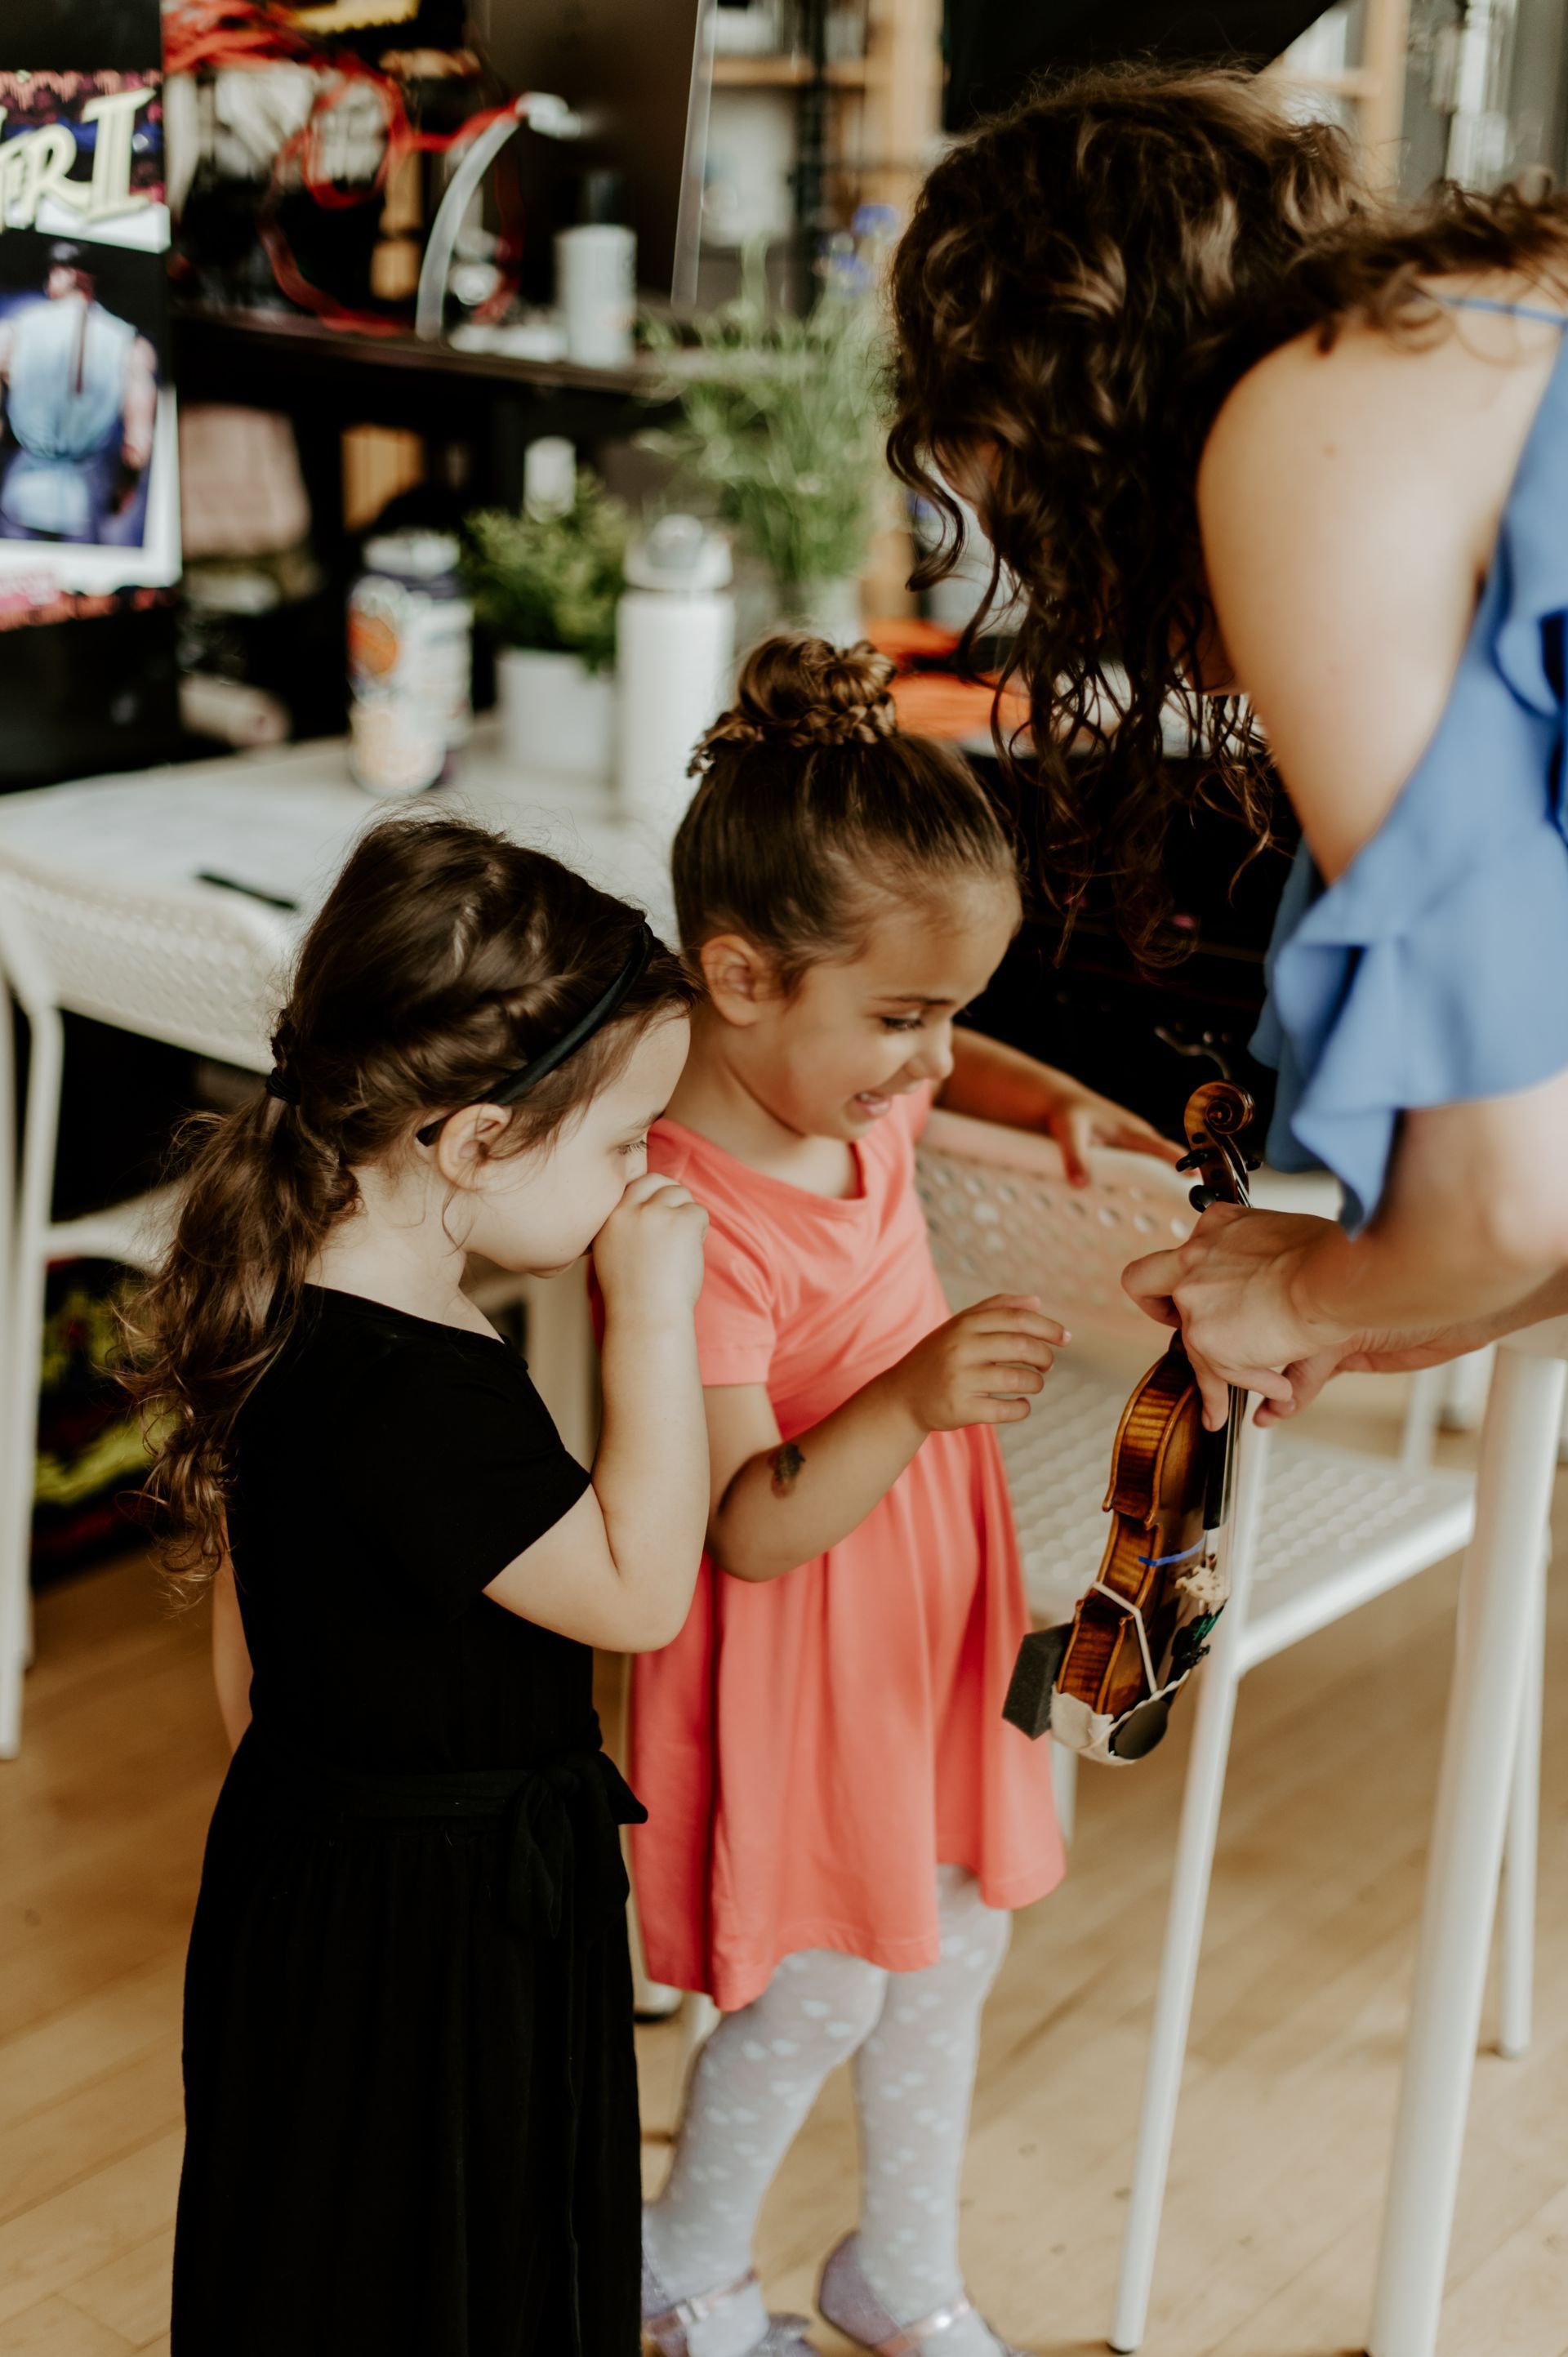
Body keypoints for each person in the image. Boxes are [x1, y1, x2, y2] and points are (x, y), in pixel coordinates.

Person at [633, 636, 1179, 2357]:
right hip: (801, 1627)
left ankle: (903, 2272)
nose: (928, 1063)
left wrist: (1066, 1111)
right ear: (738, 976)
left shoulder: (850, 1074)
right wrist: (916, 1395)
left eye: (946, 1015)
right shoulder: (684, 1217)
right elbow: (744, 1523)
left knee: (953, 1940)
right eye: (903, 1018)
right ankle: (685, 2266)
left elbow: (966, 1064)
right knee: (825, 1976)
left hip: (926, 1599)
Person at [885, 64, 1568, 1424]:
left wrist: (1312, 1297)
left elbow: (1511, 1186)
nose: (1073, 604)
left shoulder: (1314, 421)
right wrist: (1406, 1303)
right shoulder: (1486, 343)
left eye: (1037, 540)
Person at [124, 816, 709, 2357]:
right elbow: (644, 1594)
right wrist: (653, 1319)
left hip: (307, 1868)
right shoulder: (431, 1391)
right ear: (472, 1143)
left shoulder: (281, 1288)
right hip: (443, 1925)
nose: (647, 1174)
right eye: (626, 1142)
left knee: (326, 2232)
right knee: (449, 2246)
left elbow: (250, 1663)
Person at [0, 243, 158, 542]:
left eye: (55, 272)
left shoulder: (16, 330)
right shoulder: (130, 345)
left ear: (70, 275)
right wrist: (127, 485)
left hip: (22, 492)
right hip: (81, 499)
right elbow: (137, 444)